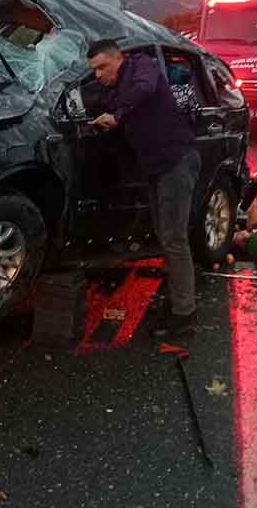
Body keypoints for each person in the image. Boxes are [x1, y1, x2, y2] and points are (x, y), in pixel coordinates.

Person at [86, 40, 201, 339]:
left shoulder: (142, 66)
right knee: (165, 237)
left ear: (119, 59)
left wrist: (117, 115)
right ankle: (176, 303)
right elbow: (101, 101)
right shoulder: (112, 90)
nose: (98, 74)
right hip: (155, 168)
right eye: (94, 70)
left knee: (174, 240)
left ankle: (184, 315)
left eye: (102, 67)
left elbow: (144, 90)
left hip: (176, 162)